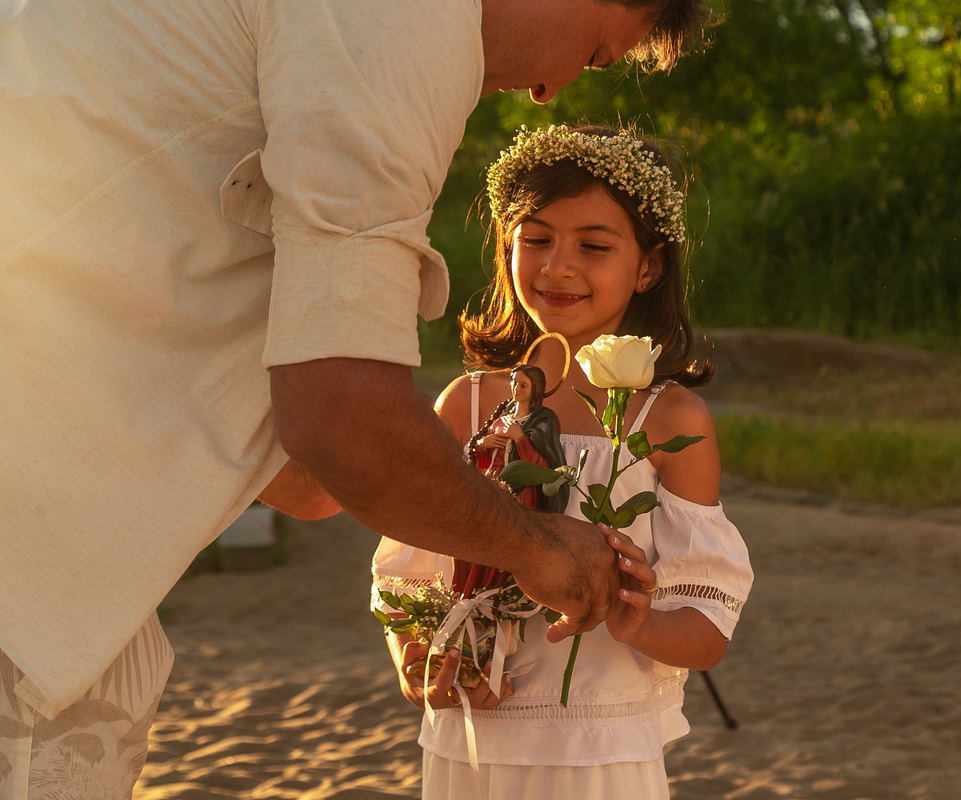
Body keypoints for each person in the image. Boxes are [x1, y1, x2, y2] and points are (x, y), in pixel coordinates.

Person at [0, 1, 714, 797]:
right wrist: (537, 551)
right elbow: (340, 420)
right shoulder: (406, 24)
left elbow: (311, 475)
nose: (553, 91)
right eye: (597, 54)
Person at [371, 124, 754, 799]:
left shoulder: (667, 422)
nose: (557, 267)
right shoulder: (469, 404)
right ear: (506, 247)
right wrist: (417, 656)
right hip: (473, 744)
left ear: (648, 266)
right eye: (536, 239)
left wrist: (639, 619)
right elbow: (407, 576)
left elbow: (709, 622)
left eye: (594, 246)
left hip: (601, 751)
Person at [469, 364, 569, 513]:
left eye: (523, 385)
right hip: (494, 488)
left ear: (535, 389)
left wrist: (519, 438)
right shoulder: (499, 422)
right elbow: (484, 462)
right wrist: (482, 446)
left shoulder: (541, 424)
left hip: (523, 492)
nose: (516, 388)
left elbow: (541, 466)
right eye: (514, 382)